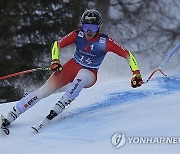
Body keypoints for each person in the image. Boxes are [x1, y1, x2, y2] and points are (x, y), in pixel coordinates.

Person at [1, 9, 143, 132]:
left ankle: (59, 106)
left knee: (80, 77)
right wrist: (55, 60)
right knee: (43, 91)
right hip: (71, 66)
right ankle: (12, 114)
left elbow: (127, 55)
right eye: (86, 26)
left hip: (90, 73)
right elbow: (57, 44)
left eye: (92, 28)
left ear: (98, 28)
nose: (88, 31)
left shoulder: (105, 42)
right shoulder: (78, 34)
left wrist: (136, 73)